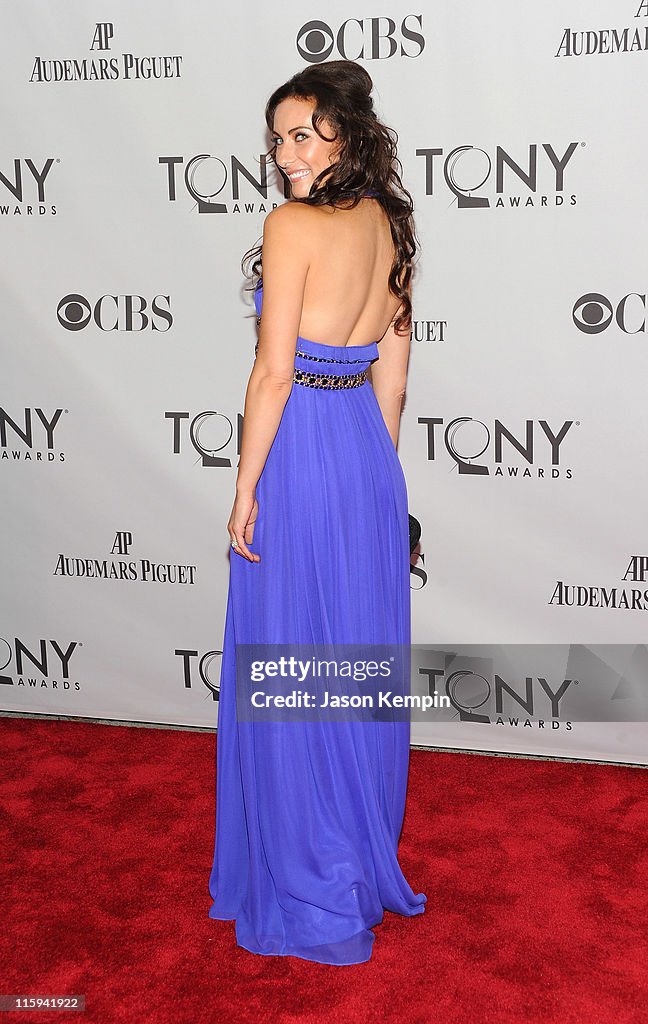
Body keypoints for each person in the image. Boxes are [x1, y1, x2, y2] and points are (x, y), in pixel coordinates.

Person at [208, 59, 427, 966]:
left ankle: (312, 880)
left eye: (303, 134)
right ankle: (355, 855)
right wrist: (376, 485)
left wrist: (247, 483)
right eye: (277, 139)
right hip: (366, 460)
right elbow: (397, 377)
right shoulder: (391, 225)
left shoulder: (292, 224)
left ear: (346, 133)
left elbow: (272, 373)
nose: (287, 154)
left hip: (300, 448)